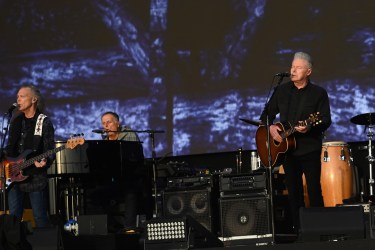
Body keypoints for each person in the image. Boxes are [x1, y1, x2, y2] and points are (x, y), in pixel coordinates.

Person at [259, 52, 332, 233]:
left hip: (309, 149)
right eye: (292, 66)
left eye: (298, 67)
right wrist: (271, 128)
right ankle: (299, 231)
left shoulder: (319, 93)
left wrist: (309, 128)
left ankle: (319, 231)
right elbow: (266, 115)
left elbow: (325, 120)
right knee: (294, 194)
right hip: (288, 151)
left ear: (308, 71)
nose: (293, 70)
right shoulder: (281, 91)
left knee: (314, 190)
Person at [5, 84, 55, 228]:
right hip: (13, 175)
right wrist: (6, 164)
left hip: (35, 176)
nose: (18, 100)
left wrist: (45, 160)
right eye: (17, 97)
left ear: (33, 99)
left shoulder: (44, 122)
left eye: (22, 96)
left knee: (39, 217)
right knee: (14, 218)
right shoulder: (15, 121)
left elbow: (49, 148)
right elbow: (10, 147)